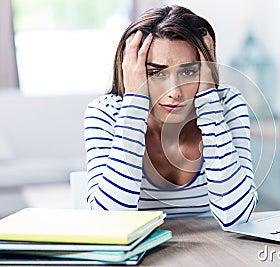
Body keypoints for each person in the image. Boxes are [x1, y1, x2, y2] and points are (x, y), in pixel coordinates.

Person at [84, 5, 258, 228]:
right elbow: (109, 222)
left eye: (188, 72)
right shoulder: (105, 113)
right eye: (156, 73)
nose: (174, 92)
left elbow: (236, 216)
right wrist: (134, 105)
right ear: (131, 71)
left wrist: (208, 102)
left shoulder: (227, 105)